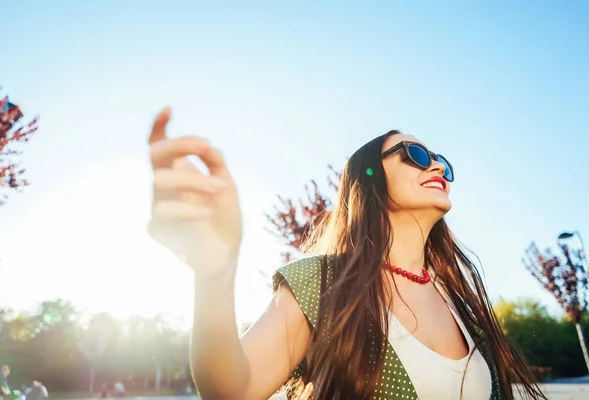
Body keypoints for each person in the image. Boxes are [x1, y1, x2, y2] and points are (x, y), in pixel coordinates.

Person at [147, 108, 546, 400]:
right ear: (368, 178)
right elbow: (232, 389)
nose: (437, 167)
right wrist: (215, 275)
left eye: (441, 161)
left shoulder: (462, 300)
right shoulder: (322, 284)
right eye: (417, 156)